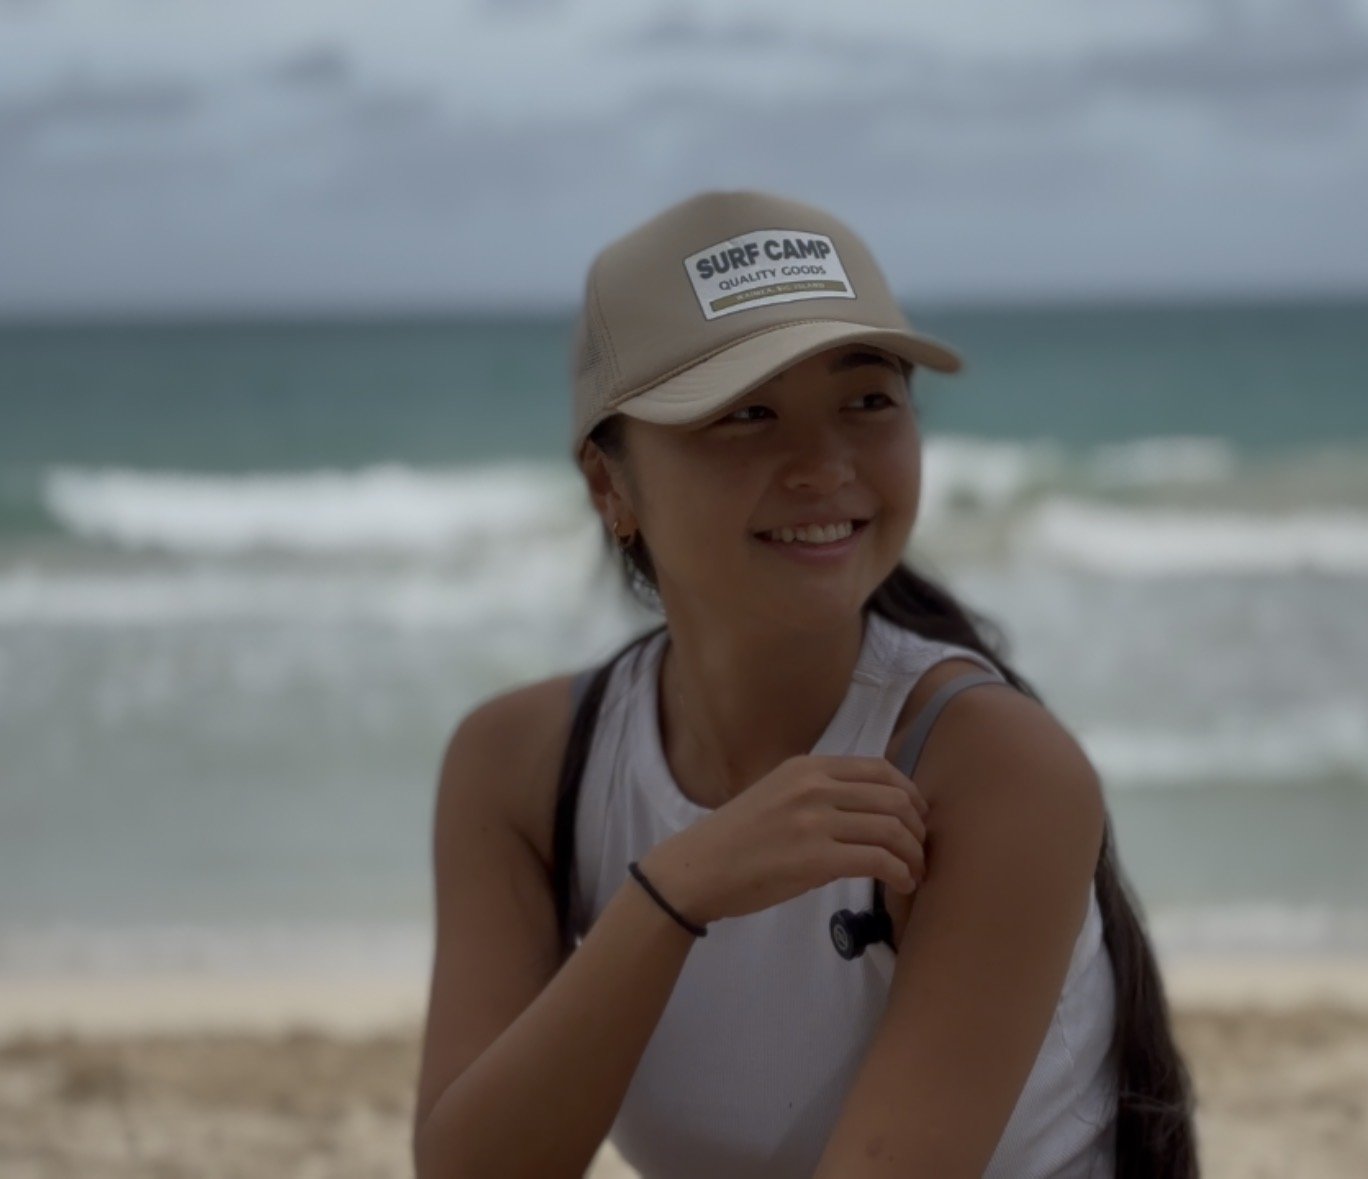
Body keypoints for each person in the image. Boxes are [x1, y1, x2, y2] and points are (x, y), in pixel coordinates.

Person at [411, 189, 1198, 1178]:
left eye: (867, 400)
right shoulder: (525, 767)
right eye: (746, 414)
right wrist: (676, 893)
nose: (825, 464)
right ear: (611, 487)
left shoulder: (991, 768)